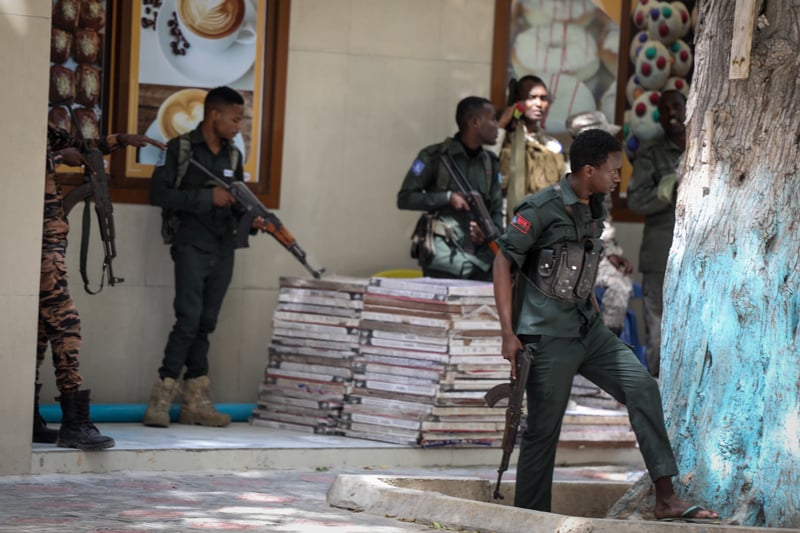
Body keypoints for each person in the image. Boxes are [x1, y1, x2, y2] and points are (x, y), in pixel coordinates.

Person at [492, 129, 718, 521]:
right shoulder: (540, 208)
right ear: (588, 170)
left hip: (588, 330)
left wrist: (592, 307)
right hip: (547, 335)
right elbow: (502, 262)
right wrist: (508, 333)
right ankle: (531, 520)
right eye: (613, 170)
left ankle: (666, 498)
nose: (618, 178)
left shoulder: (595, 207)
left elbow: (585, 263)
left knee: (643, 387)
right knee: (543, 431)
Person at [36, 125, 166, 450]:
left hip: (50, 242)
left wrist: (122, 140)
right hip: (38, 246)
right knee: (66, 324)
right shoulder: (19, 124)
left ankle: (30, 417)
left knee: (39, 332)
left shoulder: (42, 126)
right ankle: (75, 423)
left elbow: (83, 145)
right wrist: (55, 158)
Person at [145, 86, 268, 428]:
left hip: (223, 248)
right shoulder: (180, 148)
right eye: (235, 119)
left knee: (206, 322)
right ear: (214, 115)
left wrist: (252, 221)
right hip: (190, 245)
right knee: (188, 319)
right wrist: (206, 198)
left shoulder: (233, 156)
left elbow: (237, 202)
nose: (238, 126)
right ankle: (161, 397)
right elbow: (158, 194)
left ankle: (195, 402)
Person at [397, 96, 502, 281]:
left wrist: (488, 233)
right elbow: (405, 198)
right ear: (475, 122)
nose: (497, 126)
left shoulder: (491, 164)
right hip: (445, 260)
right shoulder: (433, 157)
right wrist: (447, 198)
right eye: (493, 119)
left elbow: (497, 211)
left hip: (483, 262)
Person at [627, 90, 687, 377]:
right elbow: (635, 201)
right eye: (665, 109)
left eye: (677, 106)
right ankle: (657, 395)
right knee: (659, 330)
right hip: (661, 254)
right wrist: (669, 187)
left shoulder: (707, 144)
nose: (672, 113)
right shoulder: (650, 152)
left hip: (703, 254)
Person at [566, 111, 634, 337]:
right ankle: (602, 343)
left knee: (621, 282)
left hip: (594, 250)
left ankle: (606, 342)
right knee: (617, 285)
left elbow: (603, 220)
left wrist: (612, 251)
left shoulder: (601, 175)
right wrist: (607, 252)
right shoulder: (577, 176)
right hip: (571, 254)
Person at [495, 75, 565, 221]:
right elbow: (488, 159)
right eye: (531, 97)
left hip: (543, 221)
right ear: (518, 101)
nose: (539, 103)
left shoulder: (551, 145)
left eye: (543, 98)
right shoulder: (503, 139)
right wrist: (502, 124)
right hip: (508, 221)